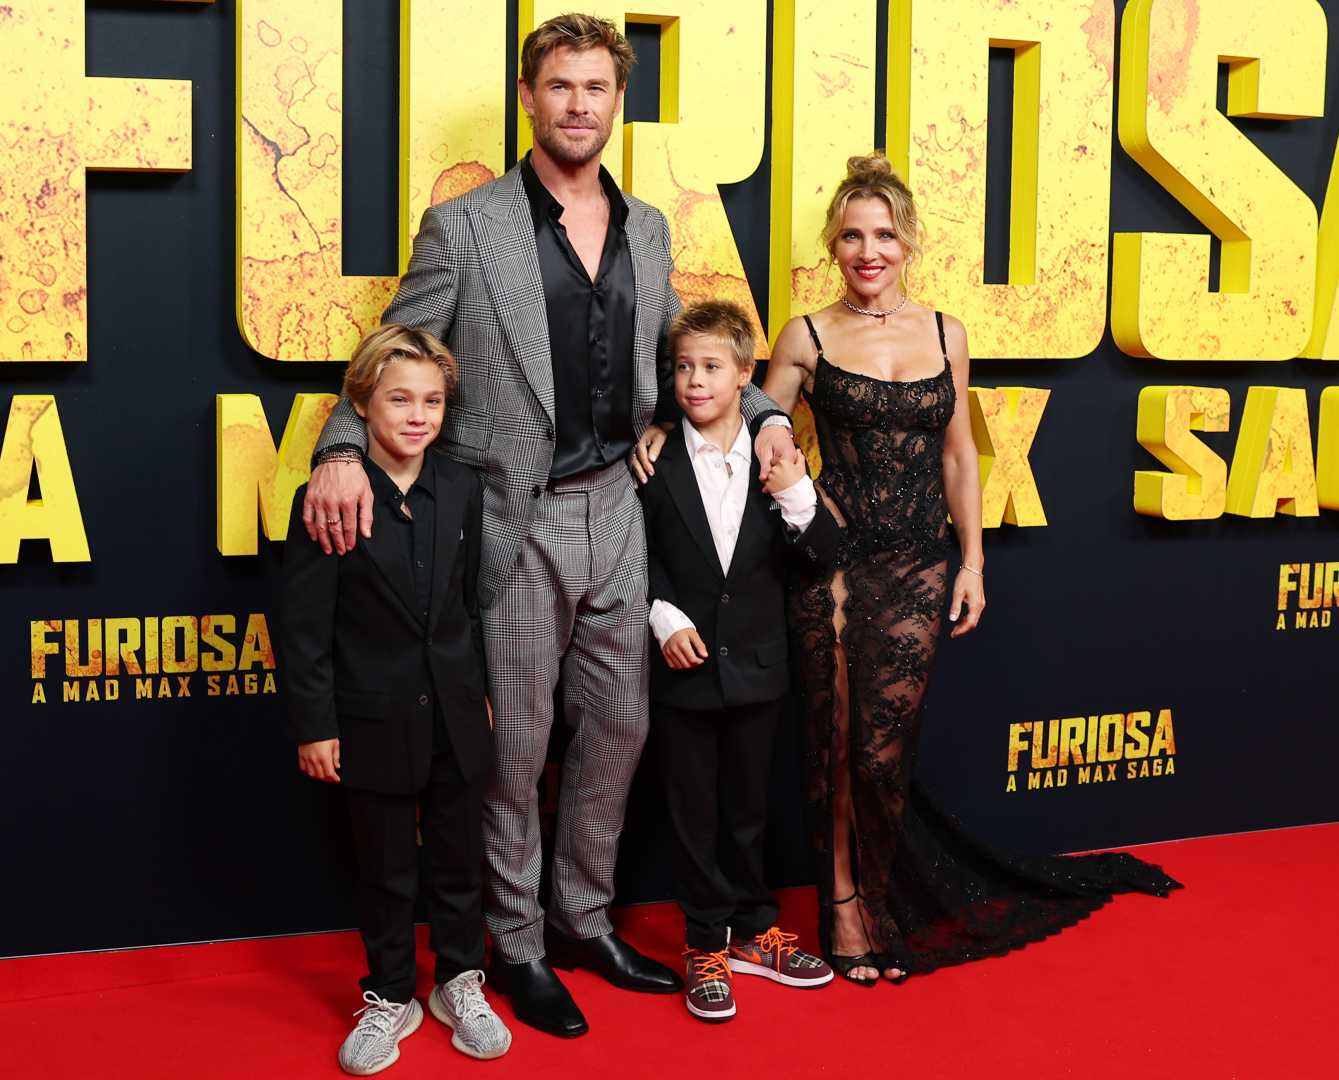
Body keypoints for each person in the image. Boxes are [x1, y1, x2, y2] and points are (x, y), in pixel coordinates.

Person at [300, 13, 801, 1038]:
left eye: (597, 88)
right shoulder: (468, 225)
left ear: (618, 103)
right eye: (561, 86)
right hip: (508, 518)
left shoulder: (649, 226)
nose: (579, 104)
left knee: (618, 733)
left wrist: (769, 416)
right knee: (517, 748)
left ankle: (582, 919)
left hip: (617, 503)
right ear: (528, 96)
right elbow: (394, 347)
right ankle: (517, 946)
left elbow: (693, 358)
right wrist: (340, 449)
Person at [636, 153, 1180, 987]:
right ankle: (845, 915)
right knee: (832, 750)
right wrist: (663, 426)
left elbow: (961, 456)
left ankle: (881, 901)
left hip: (921, 561)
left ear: (907, 241)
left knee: (882, 756)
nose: (867, 251)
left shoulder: (945, 331)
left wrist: (973, 562)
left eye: (883, 234)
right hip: (832, 566)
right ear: (832, 244)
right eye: (851, 235)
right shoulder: (806, 334)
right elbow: (749, 404)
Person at [281, 325, 511, 1073]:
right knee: (383, 866)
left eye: (433, 401)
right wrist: (315, 725)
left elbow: (467, 608)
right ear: (363, 403)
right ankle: (389, 996)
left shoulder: (463, 486)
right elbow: (304, 627)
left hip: (454, 708)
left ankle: (458, 982)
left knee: (455, 859)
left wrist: (474, 694)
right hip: (369, 714)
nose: (418, 415)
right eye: (400, 399)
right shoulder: (328, 496)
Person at [640, 301, 839, 1022]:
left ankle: (755, 931)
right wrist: (662, 618)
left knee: (749, 810)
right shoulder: (652, 458)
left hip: (758, 664)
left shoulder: (775, 454)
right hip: (681, 668)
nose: (694, 381)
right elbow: (635, 559)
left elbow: (820, 553)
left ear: (745, 376)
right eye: (683, 367)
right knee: (691, 813)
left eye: (711, 367)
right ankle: (703, 943)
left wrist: (793, 492)